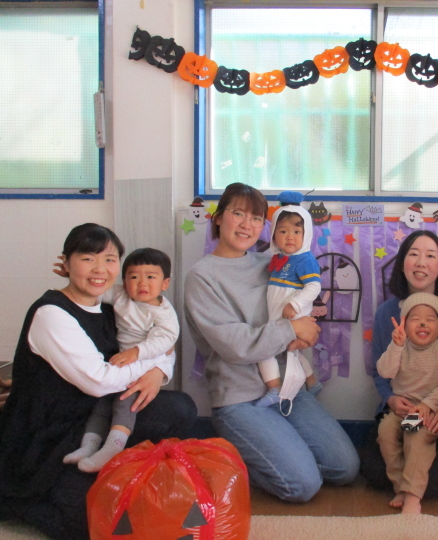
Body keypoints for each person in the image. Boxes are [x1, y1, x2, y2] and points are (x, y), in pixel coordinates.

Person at [0, 223, 196, 540]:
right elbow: (99, 381)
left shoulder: (109, 307)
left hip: (92, 417)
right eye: (87, 259)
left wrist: (158, 373)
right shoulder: (51, 314)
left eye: (109, 260)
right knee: (95, 524)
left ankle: (118, 470)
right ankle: (18, 498)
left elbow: (161, 345)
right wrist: (152, 365)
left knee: (179, 408)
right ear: (66, 263)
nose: (100, 269)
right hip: (48, 435)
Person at [184, 182, 359, 503]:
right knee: (303, 486)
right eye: (238, 214)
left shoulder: (272, 263)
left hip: (287, 387)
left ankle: (279, 448)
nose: (247, 225)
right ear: (218, 218)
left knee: (345, 468)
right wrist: (292, 329)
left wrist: (305, 329)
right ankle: (232, 457)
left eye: (256, 218)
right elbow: (236, 345)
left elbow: (299, 305)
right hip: (241, 398)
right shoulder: (202, 276)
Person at [360, 230, 438, 498]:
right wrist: (390, 399)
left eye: (430, 256)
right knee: (374, 473)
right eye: (413, 254)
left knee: (434, 484)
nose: (420, 262)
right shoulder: (386, 313)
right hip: (401, 413)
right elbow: (380, 372)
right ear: (402, 264)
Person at [62, 247, 180, 472]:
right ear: (125, 282)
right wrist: (73, 277)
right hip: (120, 363)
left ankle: (112, 448)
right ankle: (88, 446)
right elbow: (94, 291)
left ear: (165, 283)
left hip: (143, 363)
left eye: (150, 277)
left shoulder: (163, 313)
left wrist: (136, 352)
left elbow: (164, 341)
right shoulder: (120, 296)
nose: (142, 283)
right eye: (134, 277)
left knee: (125, 403)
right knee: (102, 404)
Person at [377, 292, 438, 514]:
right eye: (415, 319)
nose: (422, 323)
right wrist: (396, 346)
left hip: (429, 410)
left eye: (430, 319)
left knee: (417, 439)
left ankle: (413, 495)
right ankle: (400, 487)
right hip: (401, 409)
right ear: (404, 325)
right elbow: (384, 371)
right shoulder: (400, 347)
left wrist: (428, 405)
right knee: (385, 432)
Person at [256, 192, 323, 409]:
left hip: (292, 315)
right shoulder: (279, 258)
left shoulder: (305, 259)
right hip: (279, 314)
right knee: (292, 352)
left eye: (296, 231)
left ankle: (274, 390)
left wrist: (294, 305)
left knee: (266, 350)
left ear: (307, 234)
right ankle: (312, 383)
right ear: (274, 234)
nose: (290, 237)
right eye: (283, 231)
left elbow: (314, 287)